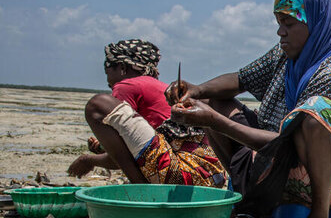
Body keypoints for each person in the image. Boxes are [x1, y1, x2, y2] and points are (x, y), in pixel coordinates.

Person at [166, 0, 331, 218]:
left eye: (289, 24)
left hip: (330, 179)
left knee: (314, 113)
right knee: (215, 100)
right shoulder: (283, 56)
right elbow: (241, 80)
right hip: (278, 156)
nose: (280, 33)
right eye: (279, 23)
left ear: (316, 24)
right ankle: (244, 194)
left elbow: (286, 143)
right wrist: (198, 90)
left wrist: (214, 122)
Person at [67, 39, 226, 187]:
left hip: (183, 176)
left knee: (97, 105)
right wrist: (105, 149)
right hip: (210, 178)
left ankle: (145, 192)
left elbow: (124, 159)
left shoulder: (126, 86)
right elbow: (138, 152)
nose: (107, 80)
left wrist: (89, 160)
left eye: (108, 71)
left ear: (122, 68)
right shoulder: (161, 87)